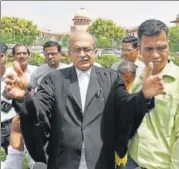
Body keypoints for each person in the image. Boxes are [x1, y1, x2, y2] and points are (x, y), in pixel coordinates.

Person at [4, 32, 165, 169]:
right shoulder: (54, 79)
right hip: (63, 159)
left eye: (87, 49)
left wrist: (143, 95)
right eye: (77, 49)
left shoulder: (111, 77)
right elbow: (40, 108)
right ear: (69, 54)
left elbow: (125, 105)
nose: (83, 54)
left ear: (94, 52)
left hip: (99, 158)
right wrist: (24, 97)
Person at [126, 19, 179, 169]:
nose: (155, 55)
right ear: (139, 49)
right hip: (131, 162)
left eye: (161, 48)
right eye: (149, 49)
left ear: (168, 46)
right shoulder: (134, 79)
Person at [7, 44, 37, 169]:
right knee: (13, 154)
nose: (22, 56)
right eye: (18, 53)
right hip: (12, 119)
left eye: (25, 53)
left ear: (29, 55)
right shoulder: (7, 74)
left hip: (33, 119)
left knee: (34, 155)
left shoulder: (37, 71)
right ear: (13, 56)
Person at [1, 43, 16, 154]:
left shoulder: (14, 75)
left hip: (9, 125)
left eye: (1, 55)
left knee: (14, 157)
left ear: (6, 55)